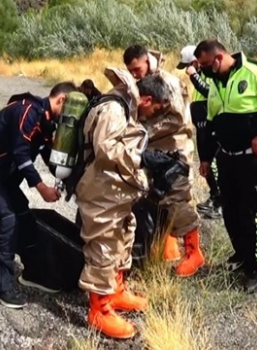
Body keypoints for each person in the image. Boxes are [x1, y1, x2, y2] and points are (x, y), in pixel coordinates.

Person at [76, 68, 174, 339]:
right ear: (145, 99)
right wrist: (143, 160)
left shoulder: (125, 107)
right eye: (155, 109)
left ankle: (117, 291)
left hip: (115, 191)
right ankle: (99, 310)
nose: (154, 115)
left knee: (123, 237)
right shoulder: (113, 109)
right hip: (100, 190)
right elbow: (106, 148)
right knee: (104, 246)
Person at [0, 82, 79, 308]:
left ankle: (34, 273)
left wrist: (68, 180)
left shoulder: (47, 122)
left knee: (24, 217)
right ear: (62, 100)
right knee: (7, 220)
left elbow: (48, 154)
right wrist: (41, 187)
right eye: (72, 109)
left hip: (3, 175)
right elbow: (21, 154)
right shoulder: (27, 110)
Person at [193, 39, 257, 293]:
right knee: (230, 212)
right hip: (227, 158)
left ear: (218, 59)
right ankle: (240, 255)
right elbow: (210, 123)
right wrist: (205, 158)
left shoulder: (254, 71)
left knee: (252, 213)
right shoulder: (215, 83)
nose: (201, 70)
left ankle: (252, 268)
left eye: (205, 65)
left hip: (252, 159)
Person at [122, 44, 204, 277]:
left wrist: (142, 131)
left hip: (174, 148)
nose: (135, 74)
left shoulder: (168, 82)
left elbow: (177, 119)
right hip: (153, 152)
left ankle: (193, 252)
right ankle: (167, 246)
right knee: (154, 197)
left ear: (147, 60)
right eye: (131, 71)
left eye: (137, 69)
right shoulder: (142, 84)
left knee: (176, 197)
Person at [176, 44, 222, 219]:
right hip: (201, 125)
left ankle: (220, 202)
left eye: (189, 65)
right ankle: (214, 196)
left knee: (212, 162)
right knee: (205, 162)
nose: (187, 70)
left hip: (210, 125)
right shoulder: (202, 74)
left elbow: (209, 92)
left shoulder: (209, 74)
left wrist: (194, 76)